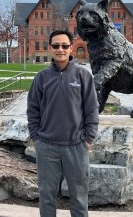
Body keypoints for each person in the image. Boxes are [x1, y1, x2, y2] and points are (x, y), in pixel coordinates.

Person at [27, 29, 99, 217]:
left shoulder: (83, 76)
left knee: (79, 197)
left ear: (71, 48)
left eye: (65, 46)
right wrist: (36, 138)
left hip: (76, 147)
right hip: (47, 147)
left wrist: (88, 139)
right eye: (56, 45)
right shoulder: (41, 78)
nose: (60, 49)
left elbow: (92, 110)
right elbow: (33, 110)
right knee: (47, 195)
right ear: (50, 48)